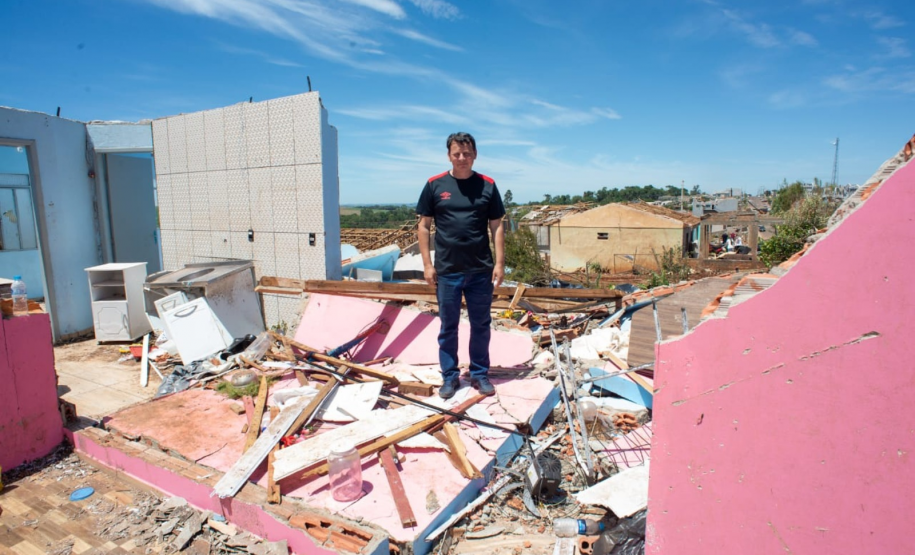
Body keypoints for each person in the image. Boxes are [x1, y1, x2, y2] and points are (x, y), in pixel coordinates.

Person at [416, 132, 506, 399]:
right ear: (449, 156)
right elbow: (423, 226)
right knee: (448, 327)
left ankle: (479, 374)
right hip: (447, 271)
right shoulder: (435, 185)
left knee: (481, 325)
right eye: (457, 153)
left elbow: (497, 225)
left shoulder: (488, 185)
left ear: (475, 155)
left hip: (480, 270)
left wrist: (499, 263)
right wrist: (427, 264)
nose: (462, 158)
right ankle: (450, 377)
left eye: (467, 153)